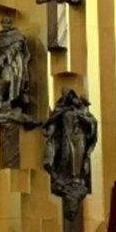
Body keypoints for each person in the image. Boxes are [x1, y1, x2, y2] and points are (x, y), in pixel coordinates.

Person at [41, 88, 98, 221]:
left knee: (78, 157)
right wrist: (49, 132)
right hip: (67, 137)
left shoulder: (82, 112)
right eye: (70, 97)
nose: (74, 100)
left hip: (80, 138)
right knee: (66, 155)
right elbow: (53, 124)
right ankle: (63, 176)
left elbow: (92, 124)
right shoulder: (62, 112)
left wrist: (86, 121)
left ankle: (75, 178)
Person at [0, 17, 31, 124]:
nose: (6, 25)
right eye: (3, 23)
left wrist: (4, 56)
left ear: (11, 23)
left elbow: (17, 47)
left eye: (8, 23)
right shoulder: (0, 36)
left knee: (7, 79)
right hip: (2, 64)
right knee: (0, 80)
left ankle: (5, 100)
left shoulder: (16, 35)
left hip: (14, 63)